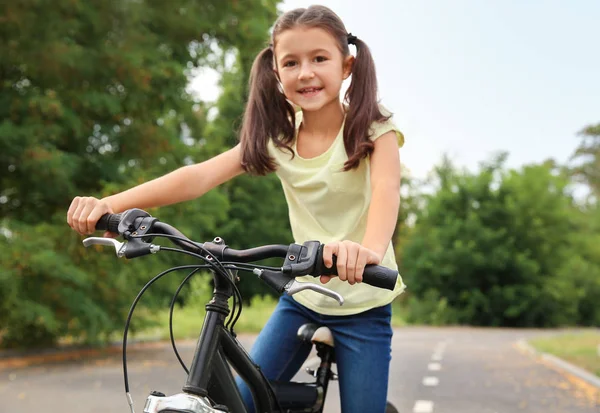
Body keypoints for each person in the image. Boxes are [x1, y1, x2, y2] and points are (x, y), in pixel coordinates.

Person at [67, 5, 405, 412]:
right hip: (303, 294)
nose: (306, 73)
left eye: (319, 58)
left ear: (346, 65)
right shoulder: (278, 140)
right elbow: (198, 177)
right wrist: (110, 205)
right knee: (243, 401)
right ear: (277, 74)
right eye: (291, 62)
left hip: (364, 301)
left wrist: (366, 252)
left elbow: (387, 193)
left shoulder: (374, 130)